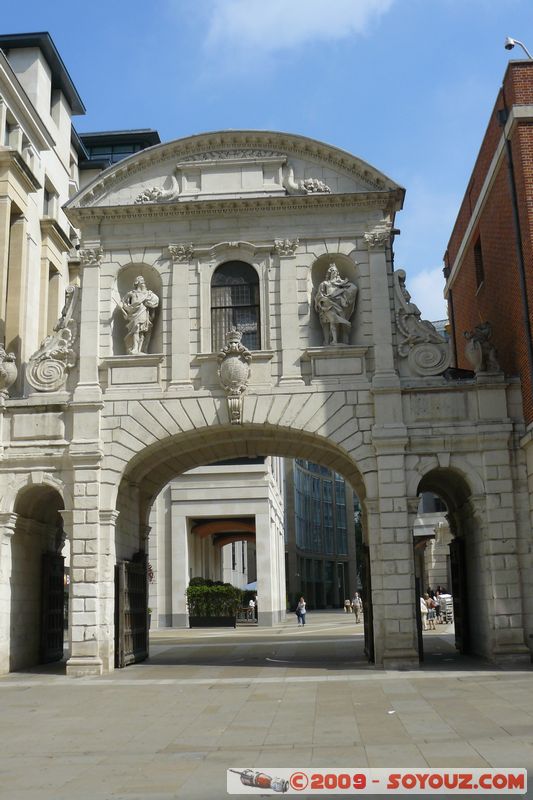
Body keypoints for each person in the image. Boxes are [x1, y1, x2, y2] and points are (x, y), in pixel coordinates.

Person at [314, 262, 358, 345]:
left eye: (335, 271)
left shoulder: (342, 283)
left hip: (340, 305)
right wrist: (324, 301)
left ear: (337, 273)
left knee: (339, 322)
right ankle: (332, 341)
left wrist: (345, 295)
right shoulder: (324, 284)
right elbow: (319, 296)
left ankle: (341, 340)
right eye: (332, 272)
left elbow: (353, 288)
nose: (334, 273)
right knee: (332, 322)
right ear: (329, 273)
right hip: (328, 305)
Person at [120, 275, 159, 354]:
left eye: (143, 280)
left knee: (141, 331)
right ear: (136, 282)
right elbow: (123, 303)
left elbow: (155, 301)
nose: (143, 282)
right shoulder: (131, 293)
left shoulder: (148, 293)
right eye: (141, 280)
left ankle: (140, 349)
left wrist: (149, 302)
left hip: (143, 312)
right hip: (133, 314)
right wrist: (126, 310)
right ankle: (135, 348)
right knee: (136, 329)